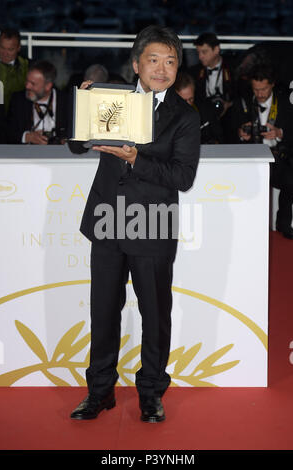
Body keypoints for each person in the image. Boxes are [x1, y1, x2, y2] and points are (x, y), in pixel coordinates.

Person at [69, 25, 201, 422]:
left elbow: (182, 178)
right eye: (153, 60)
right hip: (108, 220)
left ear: (178, 68)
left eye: (170, 61)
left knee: (155, 313)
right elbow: (77, 145)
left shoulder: (185, 116)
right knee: (103, 310)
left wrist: (135, 159)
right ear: (135, 64)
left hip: (153, 223)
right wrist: (85, 103)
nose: (161, 68)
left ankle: (151, 393)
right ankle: (99, 392)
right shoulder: (114, 99)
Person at [232, 64, 293, 240]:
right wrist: (240, 133)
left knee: (292, 179)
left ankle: (283, 224)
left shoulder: (285, 104)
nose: (260, 94)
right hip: (251, 160)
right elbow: (228, 130)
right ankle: (249, 226)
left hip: (278, 158)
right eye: (256, 89)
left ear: (272, 85)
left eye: (264, 89)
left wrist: (279, 133)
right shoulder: (243, 102)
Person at [6, 60, 68, 145]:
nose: (27, 86)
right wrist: (27, 137)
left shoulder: (66, 101)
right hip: (26, 155)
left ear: (48, 86)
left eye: (32, 83)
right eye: (27, 81)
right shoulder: (18, 99)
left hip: (60, 155)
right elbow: (6, 133)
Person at [175, 70, 223, 143]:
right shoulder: (165, 116)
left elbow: (218, 137)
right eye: (184, 101)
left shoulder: (205, 110)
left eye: (191, 99)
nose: (188, 104)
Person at [0, 28, 29, 113]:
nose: (5, 53)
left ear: (18, 48)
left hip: (19, 117)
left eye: (10, 49)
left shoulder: (27, 67)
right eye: (2, 47)